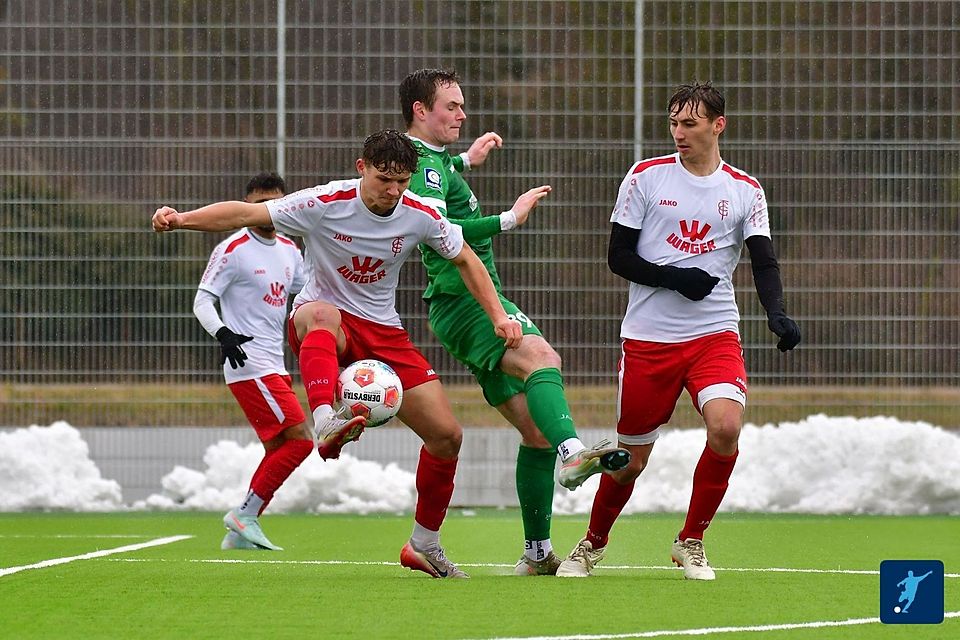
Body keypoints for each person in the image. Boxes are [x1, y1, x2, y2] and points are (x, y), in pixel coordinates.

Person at [155, 129, 524, 579]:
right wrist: (181, 219)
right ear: (360, 168)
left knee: (447, 436)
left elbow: (467, 258)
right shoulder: (326, 202)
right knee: (323, 313)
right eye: (383, 179)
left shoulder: (420, 212)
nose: (392, 191)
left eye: (402, 181)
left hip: (384, 331)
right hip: (322, 321)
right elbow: (246, 212)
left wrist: (498, 317)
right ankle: (326, 417)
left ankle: (424, 544)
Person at [556, 82, 801, 580]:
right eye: (673, 122)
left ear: (718, 125)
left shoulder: (745, 190)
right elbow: (618, 257)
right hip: (649, 339)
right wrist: (674, 277)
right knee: (628, 462)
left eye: (690, 123)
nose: (679, 132)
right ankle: (591, 544)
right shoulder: (645, 176)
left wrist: (775, 313)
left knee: (726, 429)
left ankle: (691, 540)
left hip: (714, 335)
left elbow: (763, 261)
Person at [400, 68, 631, 576]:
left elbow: (432, 177)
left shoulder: (428, 161)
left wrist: (467, 159)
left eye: (462, 105)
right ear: (421, 110)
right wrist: (511, 218)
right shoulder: (420, 164)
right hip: (465, 296)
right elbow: (442, 227)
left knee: (535, 432)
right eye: (451, 106)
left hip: (462, 298)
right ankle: (574, 454)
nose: (462, 114)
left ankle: (536, 552)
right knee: (543, 358)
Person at [192, 171, 307, 552]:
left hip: (275, 363)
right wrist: (222, 333)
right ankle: (245, 514)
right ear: (246, 206)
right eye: (258, 204)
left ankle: (237, 534)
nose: (265, 211)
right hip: (248, 363)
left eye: (273, 204)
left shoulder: (290, 250)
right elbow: (202, 300)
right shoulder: (234, 249)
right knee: (300, 442)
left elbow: (307, 291)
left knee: (278, 449)